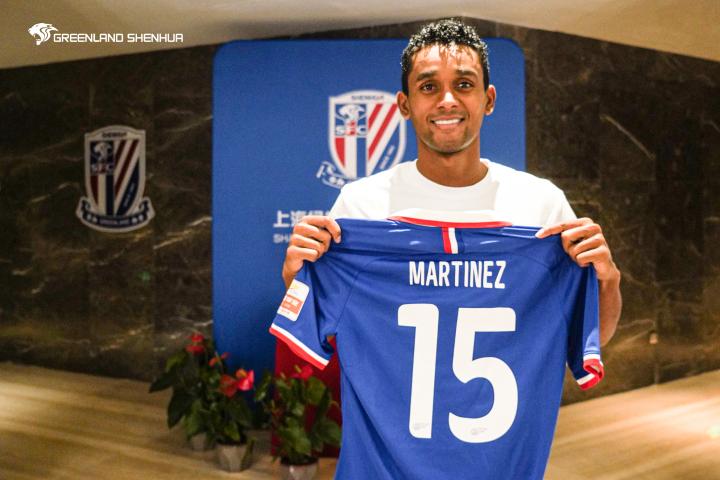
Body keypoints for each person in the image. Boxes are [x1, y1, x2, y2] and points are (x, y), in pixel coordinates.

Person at [282, 19, 621, 347]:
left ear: (488, 100)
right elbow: (324, 329)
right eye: (429, 87)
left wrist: (607, 280)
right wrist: (296, 277)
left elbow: (592, 338)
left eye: (464, 84)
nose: (447, 100)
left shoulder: (541, 202)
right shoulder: (360, 203)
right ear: (405, 105)